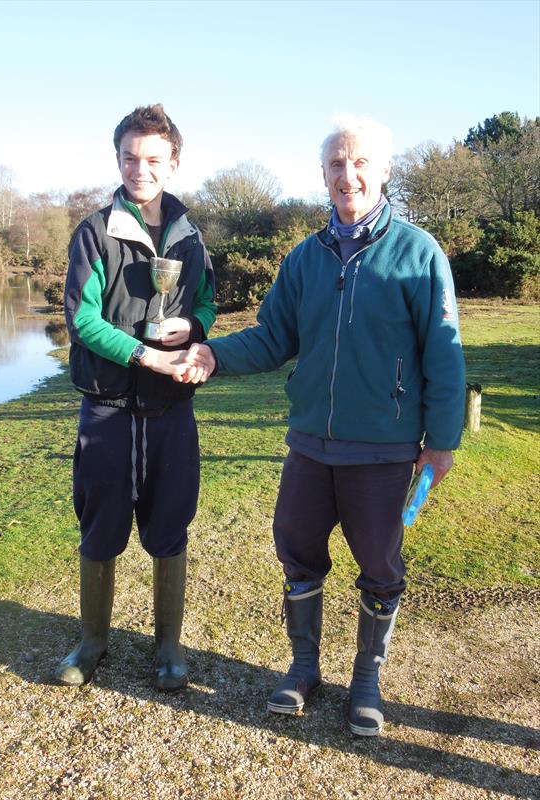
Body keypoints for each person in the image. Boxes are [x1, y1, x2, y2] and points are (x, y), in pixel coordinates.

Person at [178, 114, 465, 736]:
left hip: (384, 451)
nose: (348, 174)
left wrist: (442, 442)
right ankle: (304, 666)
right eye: (337, 164)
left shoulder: (418, 254)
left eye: (360, 162)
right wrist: (214, 354)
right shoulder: (304, 259)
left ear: (384, 171)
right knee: (297, 549)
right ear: (323, 176)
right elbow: (274, 336)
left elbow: (444, 353)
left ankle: (367, 677)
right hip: (311, 444)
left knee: (380, 565)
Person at [57, 104, 216, 690]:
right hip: (106, 403)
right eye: (130, 157)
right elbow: (82, 321)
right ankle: (93, 640)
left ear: (173, 163)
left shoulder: (192, 237)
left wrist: (192, 330)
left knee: (170, 522)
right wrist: (146, 354)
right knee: (100, 523)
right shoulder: (95, 232)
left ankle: (168, 645)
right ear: (118, 159)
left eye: (153, 159)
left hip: (170, 407)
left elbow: (206, 304)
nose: (140, 169)